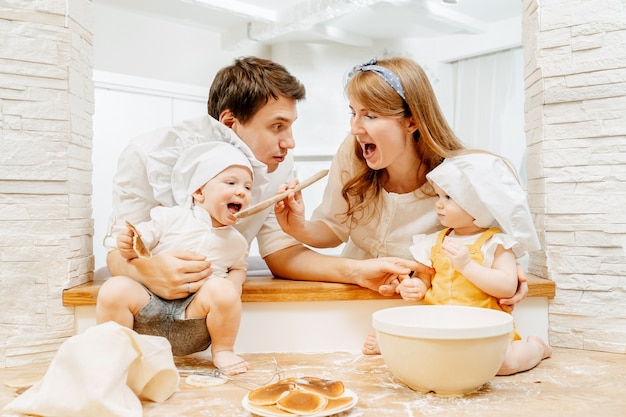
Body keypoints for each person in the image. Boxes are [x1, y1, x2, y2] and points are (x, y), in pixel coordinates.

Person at [104, 56, 435, 306]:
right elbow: (117, 253)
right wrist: (146, 272)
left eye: (291, 127)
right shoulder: (147, 156)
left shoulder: (278, 164)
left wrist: (356, 271)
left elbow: (282, 254)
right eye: (278, 126)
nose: (290, 142)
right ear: (230, 123)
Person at [272, 56, 528, 354]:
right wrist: (298, 227)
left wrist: (512, 275)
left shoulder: (456, 181)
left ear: (411, 121)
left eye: (370, 115)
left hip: (420, 313)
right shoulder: (353, 153)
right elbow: (333, 229)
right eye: (353, 113)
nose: (355, 128)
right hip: (351, 305)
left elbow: (486, 245)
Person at [97, 142, 255, 373]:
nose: (242, 191)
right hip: (148, 308)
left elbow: (239, 268)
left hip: (193, 318)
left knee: (223, 289)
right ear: (199, 192)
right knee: (115, 288)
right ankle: (114, 352)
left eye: (248, 187)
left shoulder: (237, 242)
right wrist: (129, 245)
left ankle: (223, 351)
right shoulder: (170, 217)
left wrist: (232, 287)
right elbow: (140, 245)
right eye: (231, 183)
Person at [395, 152, 552, 375]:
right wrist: (415, 287)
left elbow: (507, 286)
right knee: (426, 357)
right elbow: (425, 278)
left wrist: (468, 266)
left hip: (485, 329)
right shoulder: (433, 242)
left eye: (449, 198)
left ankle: (536, 347)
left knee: (504, 364)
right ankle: (391, 343)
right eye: (439, 196)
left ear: (479, 205)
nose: (439, 204)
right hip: (440, 325)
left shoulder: (495, 243)